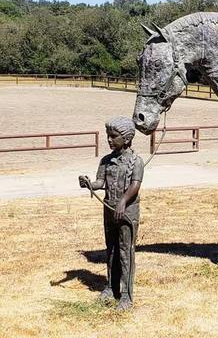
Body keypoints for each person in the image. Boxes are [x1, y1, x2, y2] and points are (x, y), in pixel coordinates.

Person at [79, 116, 144, 311]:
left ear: (126, 138)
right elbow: (101, 182)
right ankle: (111, 287)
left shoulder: (136, 161)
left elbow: (135, 185)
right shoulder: (106, 161)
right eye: (108, 136)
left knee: (126, 252)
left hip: (126, 214)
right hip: (109, 210)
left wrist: (123, 202)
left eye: (113, 136)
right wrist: (90, 184)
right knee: (112, 250)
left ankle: (126, 295)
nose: (109, 140)